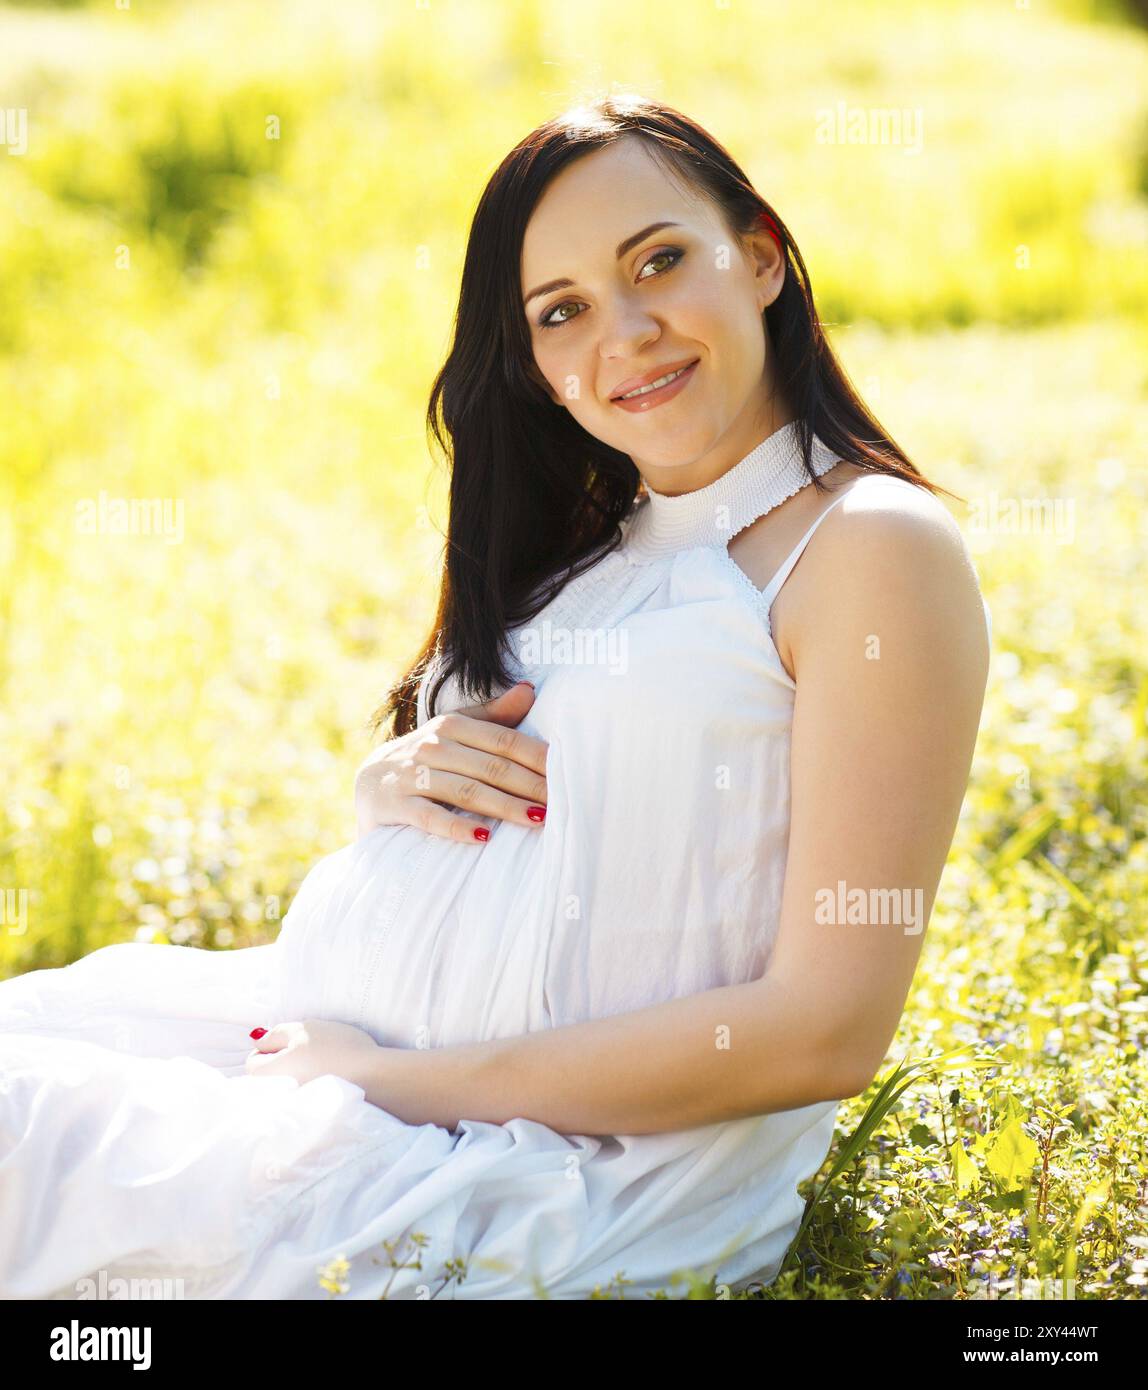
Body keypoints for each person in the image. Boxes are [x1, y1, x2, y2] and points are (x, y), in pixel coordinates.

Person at [0, 93, 991, 1300]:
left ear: (763, 255)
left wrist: (377, 1081)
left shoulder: (862, 546)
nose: (622, 333)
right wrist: (392, 783)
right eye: (560, 312)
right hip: (349, 1068)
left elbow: (823, 1028)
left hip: (537, 1171)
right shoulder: (594, 545)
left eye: (659, 262)